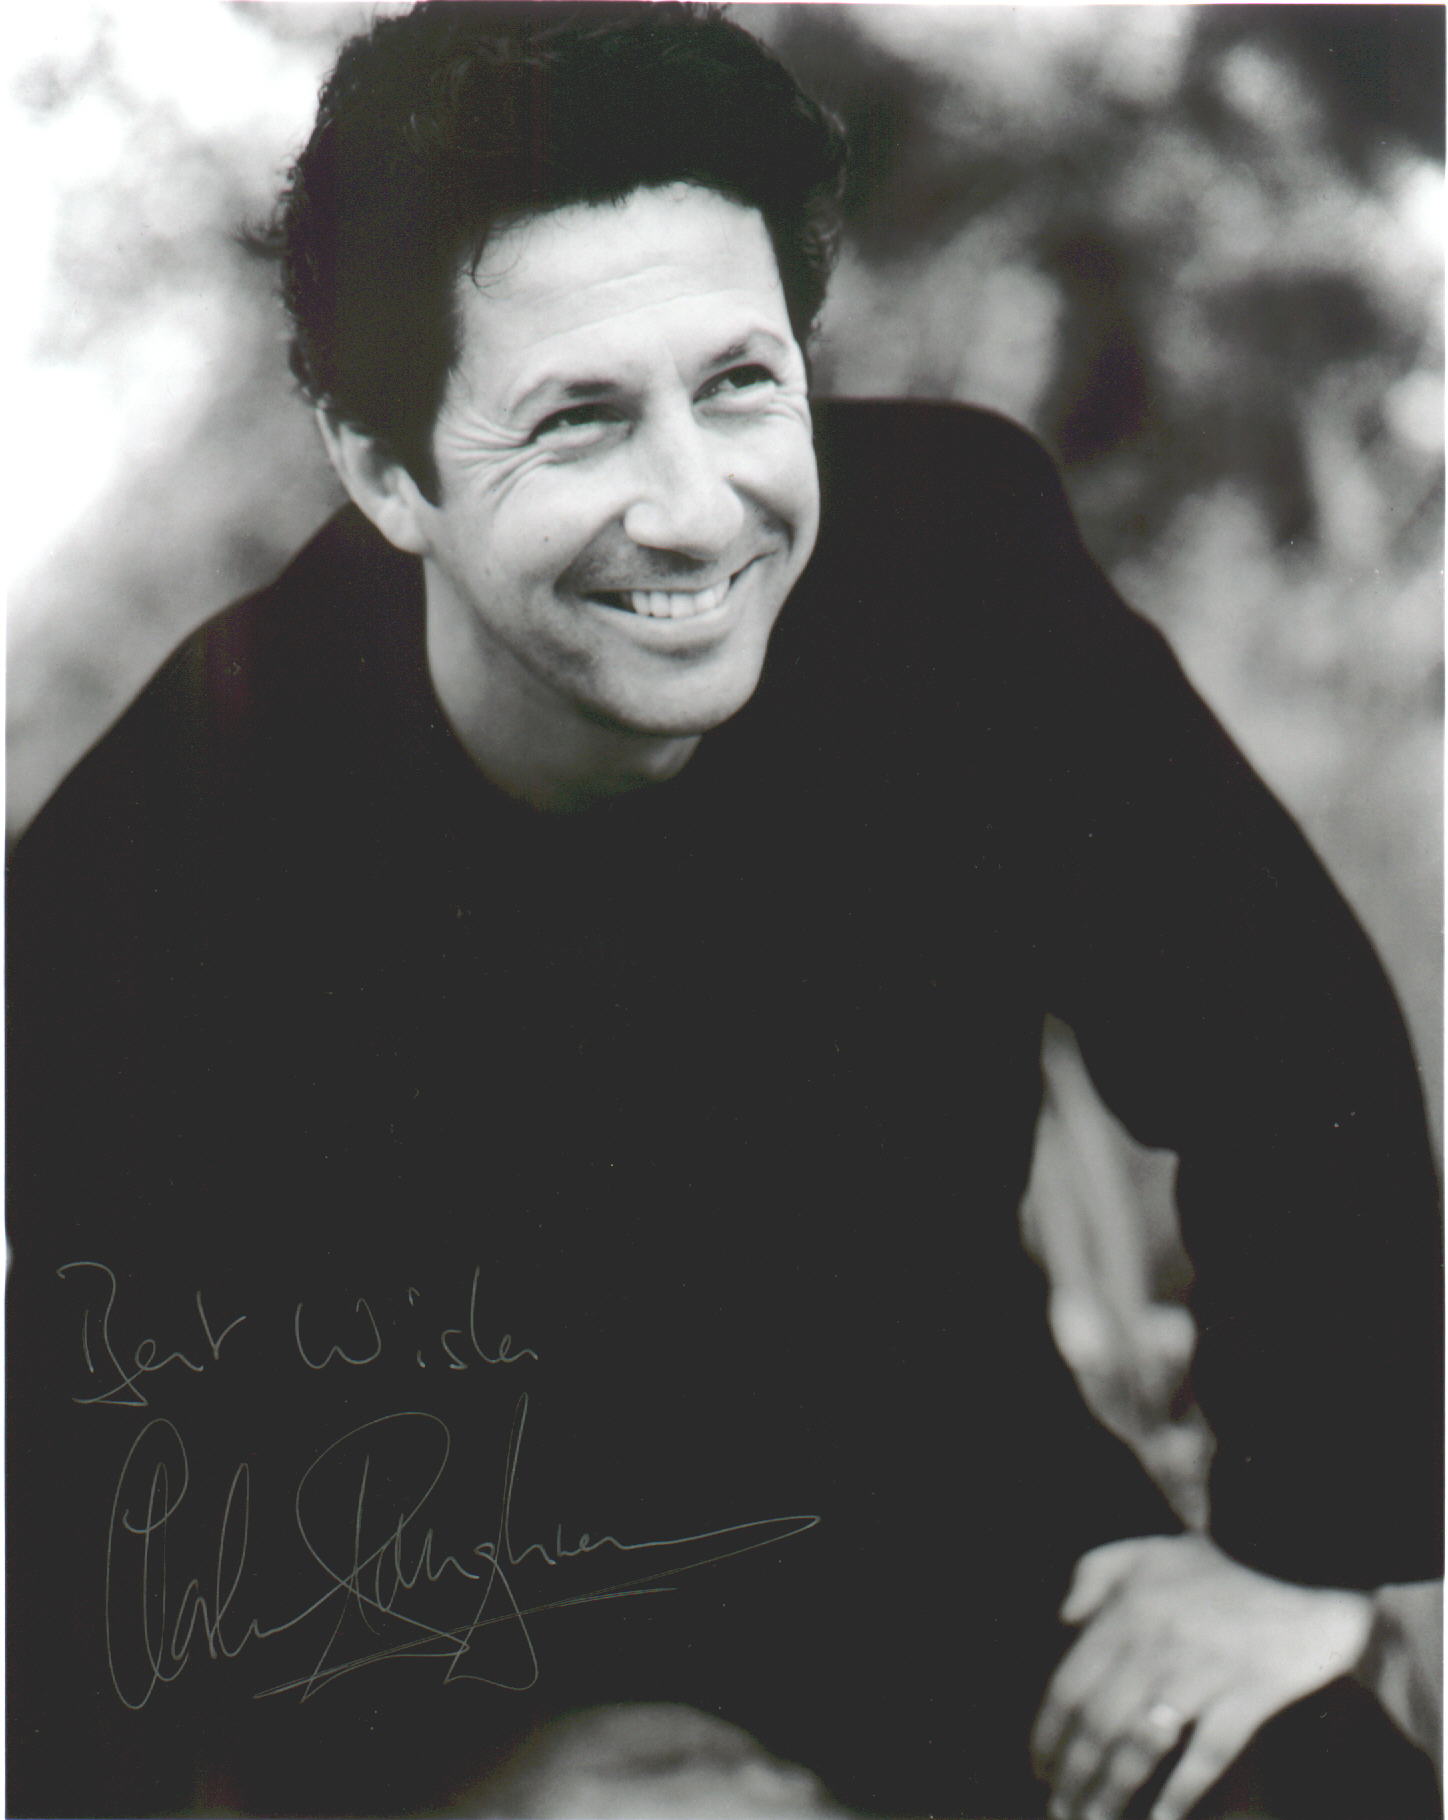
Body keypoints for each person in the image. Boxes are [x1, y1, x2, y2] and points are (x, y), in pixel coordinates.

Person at [7, 6, 1441, 1819]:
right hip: (446, 1659)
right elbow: (109, 1530)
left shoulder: (954, 576)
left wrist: (1299, 1561)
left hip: (952, 1532)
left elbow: (1282, 1044)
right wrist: (452, 1784)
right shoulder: (149, 882)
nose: (697, 510)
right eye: (579, 419)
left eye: (743, 384)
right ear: (384, 469)